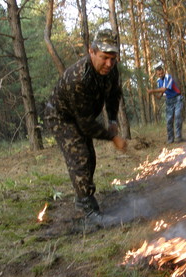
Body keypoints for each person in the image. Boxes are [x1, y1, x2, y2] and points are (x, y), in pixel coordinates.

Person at [44, 29, 127, 226]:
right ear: (92, 51)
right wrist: (112, 138)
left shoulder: (111, 70)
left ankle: (82, 198)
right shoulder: (78, 78)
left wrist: (113, 120)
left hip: (82, 115)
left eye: (113, 59)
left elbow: (114, 94)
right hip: (61, 117)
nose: (109, 64)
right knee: (80, 156)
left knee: (90, 157)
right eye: (104, 58)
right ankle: (89, 212)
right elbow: (86, 124)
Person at [147, 63, 184, 144]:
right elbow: (160, 95)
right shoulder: (158, 81)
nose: (161, 75)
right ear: (157, 74)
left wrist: (152, 90)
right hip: (169, 101)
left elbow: (164, 89)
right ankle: (170, 138)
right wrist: (152, 94)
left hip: (177, 98)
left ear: (164, 71)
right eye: (159, 74)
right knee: (169, 120)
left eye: (162, 73)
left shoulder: (168, 77)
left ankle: (178, 136)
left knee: (177, 116)